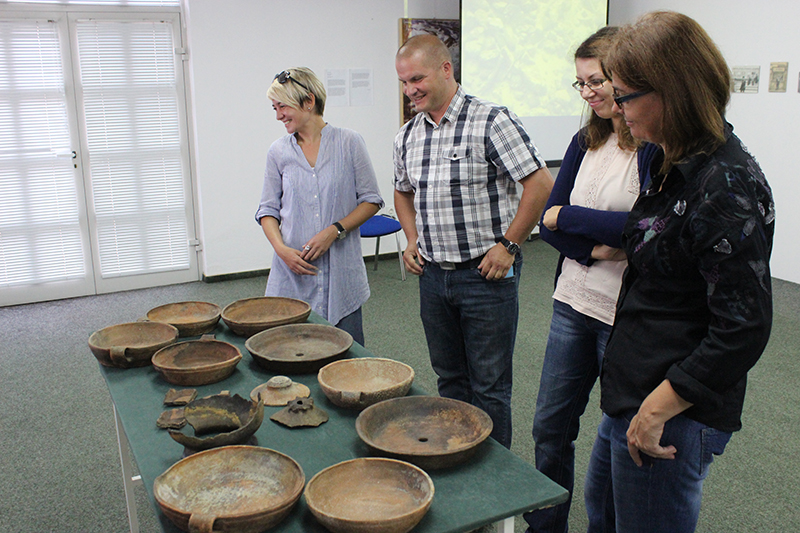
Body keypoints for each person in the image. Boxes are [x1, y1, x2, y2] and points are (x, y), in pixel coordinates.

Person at [583, 12, 774, 533]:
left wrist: (655, 411)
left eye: (623, 96)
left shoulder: (725, 184)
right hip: (636, 387)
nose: (616, 111)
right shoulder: (672, 161)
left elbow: (744, 326)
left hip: (671, 410)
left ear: (670, 92)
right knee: (602, 510)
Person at [523, 26, 658, 533]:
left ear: (624, 76)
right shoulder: (585, 139)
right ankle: (545, 526)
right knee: (550, 428)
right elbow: (546, 222)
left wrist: (569, 221)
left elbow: (641, 227)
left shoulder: (649, 146)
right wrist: (596, 241)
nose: (589, 93)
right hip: (570, 303)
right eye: (579, 83)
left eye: (596, 80)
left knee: (618, 435)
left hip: (621, 314)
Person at [392, 34, 553, 448]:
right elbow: (402, 191)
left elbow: (539, 183)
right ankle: (461, 460)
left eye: (417, 79)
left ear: (446, 69)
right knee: (451, 381)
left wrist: (510, 245)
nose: (410, 90)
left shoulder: (491, 121)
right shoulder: (407, 136)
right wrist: (411, 239)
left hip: (486, 279)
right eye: (404, 82)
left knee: (490, 388)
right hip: (433, 277)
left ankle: (496, 491)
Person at [255, 67, 383, 346]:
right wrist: (281, 251)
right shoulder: (278, 151)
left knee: (346, 365)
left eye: (283, 106)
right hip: (292, 275)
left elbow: (371, 200)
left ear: (309, 102)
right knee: (291, 357)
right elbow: (267, 210)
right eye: (274, 108)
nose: (278, 115)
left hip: (341, 278)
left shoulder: (349, 142)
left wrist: (334, 231)